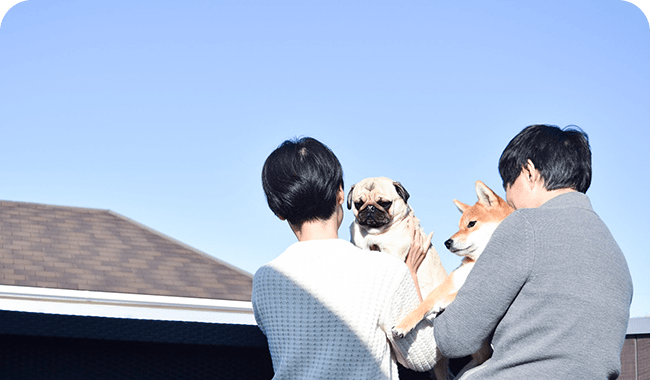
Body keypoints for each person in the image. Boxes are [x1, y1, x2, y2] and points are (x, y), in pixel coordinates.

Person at [432, 124, 633, 379]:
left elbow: (454, 338)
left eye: (508, 183)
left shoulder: (524, 225)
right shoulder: (615, 254)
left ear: (529, 172)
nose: (509, 198)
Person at [252, 137, 441, 379]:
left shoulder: (265, 280)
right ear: (341, 193)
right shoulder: (386, 270)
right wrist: (411, 272)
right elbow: (423, 356)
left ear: (278, 211)